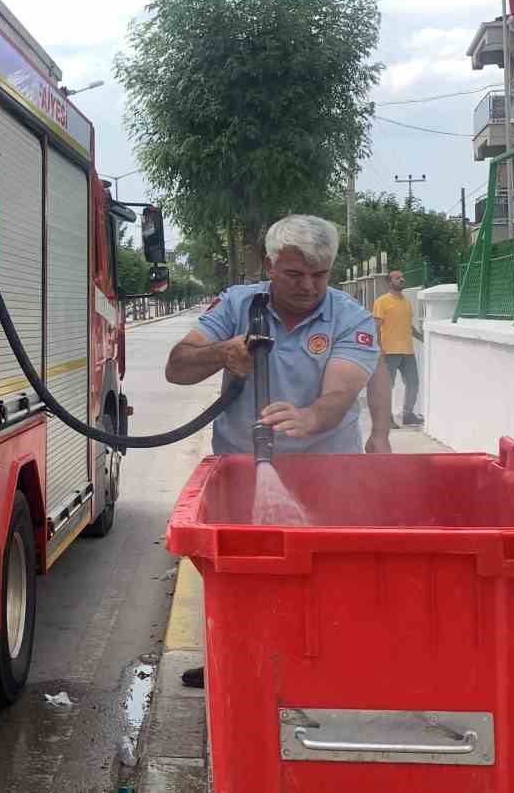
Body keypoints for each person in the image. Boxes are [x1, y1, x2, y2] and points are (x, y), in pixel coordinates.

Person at [165, 214, 391, 688]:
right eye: (294, 274)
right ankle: (238, 659)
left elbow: (340, 394)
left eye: (320, 274)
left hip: (326, 471)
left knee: (326, 575)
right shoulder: (236, 305)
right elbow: (178, 368)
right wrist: (221, 353)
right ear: (270, 265)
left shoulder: (351, 317)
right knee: (243, 575)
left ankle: (323, 666)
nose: (309, 286)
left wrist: (312, 417)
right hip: (243, 467)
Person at [372, 270, 423, 426]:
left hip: (408, 352)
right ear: (390, 282)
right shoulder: (382, 301)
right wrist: (379, 349)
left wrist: (423, 338)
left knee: (413, 383)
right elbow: (376, 327)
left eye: (402, 277)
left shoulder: (406, 302)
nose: (402, 279)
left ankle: (408, 415)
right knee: (387, 387)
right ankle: (386, 418)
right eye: (397, 278)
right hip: (389, 352)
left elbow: (409, 326)